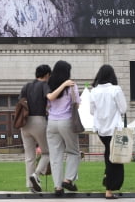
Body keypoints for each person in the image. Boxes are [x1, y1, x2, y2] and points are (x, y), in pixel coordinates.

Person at [90, 64, 127, 199]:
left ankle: (107, 180)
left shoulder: (94, 91)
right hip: (114, 128)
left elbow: (91, 111)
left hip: (101, 129)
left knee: (109, 154)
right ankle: (110, 188)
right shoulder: (115, 90)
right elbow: (123, 109)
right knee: (115, 158)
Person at [46, 60, 80, 196]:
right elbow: (76, 103)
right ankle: (68, 179)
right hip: (66, 121)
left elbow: (47, 103)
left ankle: (58, 187)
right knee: (73, 152)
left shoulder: (48, 85)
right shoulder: (71, 85)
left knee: (55, 156)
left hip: (52, 122)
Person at [19, 64, 51, 193]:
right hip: (39, 120)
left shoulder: (26, 86)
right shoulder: (44, 85)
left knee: (29, 156)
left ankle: (30, 186)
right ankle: (35, 175)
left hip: (25, 123)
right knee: (47, 152)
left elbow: (20, 101)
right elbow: (49, 100)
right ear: (47, 75)